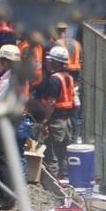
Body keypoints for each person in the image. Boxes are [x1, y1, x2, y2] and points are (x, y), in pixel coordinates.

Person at [0, 44, 29, 209]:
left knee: (4, 160)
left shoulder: (8, 81)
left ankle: (7, 198)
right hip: (18, 121)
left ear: (6, 62)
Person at [39, 46, 76, 180]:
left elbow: (51, 103)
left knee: (52, 154)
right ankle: (65, 181)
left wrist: (45, 122)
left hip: (56, 122)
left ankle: (53, 183)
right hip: (67, 121)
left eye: (51, 60)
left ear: (56, 62)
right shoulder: (69, 78)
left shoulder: (54, 79)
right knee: (64, 154)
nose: (49, 62)